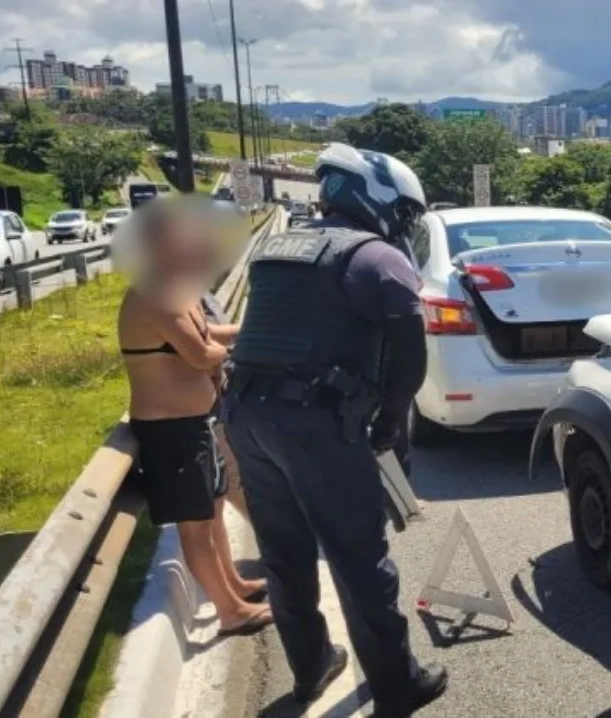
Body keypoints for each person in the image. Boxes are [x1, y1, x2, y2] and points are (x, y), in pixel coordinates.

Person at [221, 143, 446, 714]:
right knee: (357, 555)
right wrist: (391, 420)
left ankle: (311, 668)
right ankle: (398, 686)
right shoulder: (378, 258)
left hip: (247, 416)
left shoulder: (275, 248)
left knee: (284, 553)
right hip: (316, 425)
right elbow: (410, 358)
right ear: (378, 198)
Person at [116, 197, 273, 638]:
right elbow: (201, 352)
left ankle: (235, 587)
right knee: (197, 524)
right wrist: (235, 354)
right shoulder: (155, 296)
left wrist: (251, 331)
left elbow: (210, 334)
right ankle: (229, 611)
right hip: (171, 432)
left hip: (194, 425)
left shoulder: (175, 289)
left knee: (212, 513)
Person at [198, 289, 251, 524]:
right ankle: (277, 543)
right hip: (209, 402)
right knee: (234, 476)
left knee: (240, 472)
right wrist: (249, 330)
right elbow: (204, 339)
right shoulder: (177, 292)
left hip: (223, 395)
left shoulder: (196, 289)